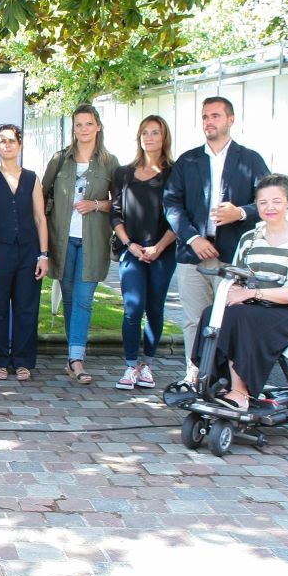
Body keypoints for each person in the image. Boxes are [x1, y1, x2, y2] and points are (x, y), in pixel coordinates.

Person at [164, 96, 269, 381]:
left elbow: (268, 202)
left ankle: (224, 379)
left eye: (215, 116)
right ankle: (194, 375)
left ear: (230, 119)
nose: (209, 122)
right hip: (194, 254)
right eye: (205, 117)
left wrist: (241, 213)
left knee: (228, 320)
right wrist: (192, 238)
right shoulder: (188, 160)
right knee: (194, 319)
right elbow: (171, 204)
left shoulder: (250, 160)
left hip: (232, 257)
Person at [195, 174, 288, 411]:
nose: (269, 207)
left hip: (285, 310)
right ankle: (213, 382)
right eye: (263, 202)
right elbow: (237, 275)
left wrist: (251, 295)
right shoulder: (249, 238)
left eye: (276, 201)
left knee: (240, 316)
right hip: (253, 305)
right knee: (213, 312)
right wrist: (236, 292)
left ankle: (240, 392)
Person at [42, 104, 118, 384]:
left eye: (88, 124)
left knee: (84, 300)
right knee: (71, 299)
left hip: (93, 242)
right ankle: (73, 356)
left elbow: (120, 203)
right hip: (62, 240)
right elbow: (42, 195)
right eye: (78, 124)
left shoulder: (110, 162)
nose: (83, 129)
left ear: (98, 126)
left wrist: (96, 204)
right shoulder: (60, 159)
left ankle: (77, 360)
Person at [110, 115, 177, 391]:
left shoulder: (174, 173)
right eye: (145, 132)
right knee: (132, 308)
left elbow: (179, 216)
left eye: (156, 133)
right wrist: (130, 244)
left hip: (163, 251)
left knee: (154, 308)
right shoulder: (124, 173)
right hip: (132, 251)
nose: (150, 137)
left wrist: (158, 247)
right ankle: (129, 366)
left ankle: (146, 364)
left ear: (164, 138)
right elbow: (114, 213)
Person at [0, 124, 48, 381]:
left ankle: (22, 360)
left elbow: (41, 218)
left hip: (29, 252)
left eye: (12, 140)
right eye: (2, 141)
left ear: (19, 145)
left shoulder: (32, 178)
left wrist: (44, 254)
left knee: (26, 308)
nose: (7, 145)